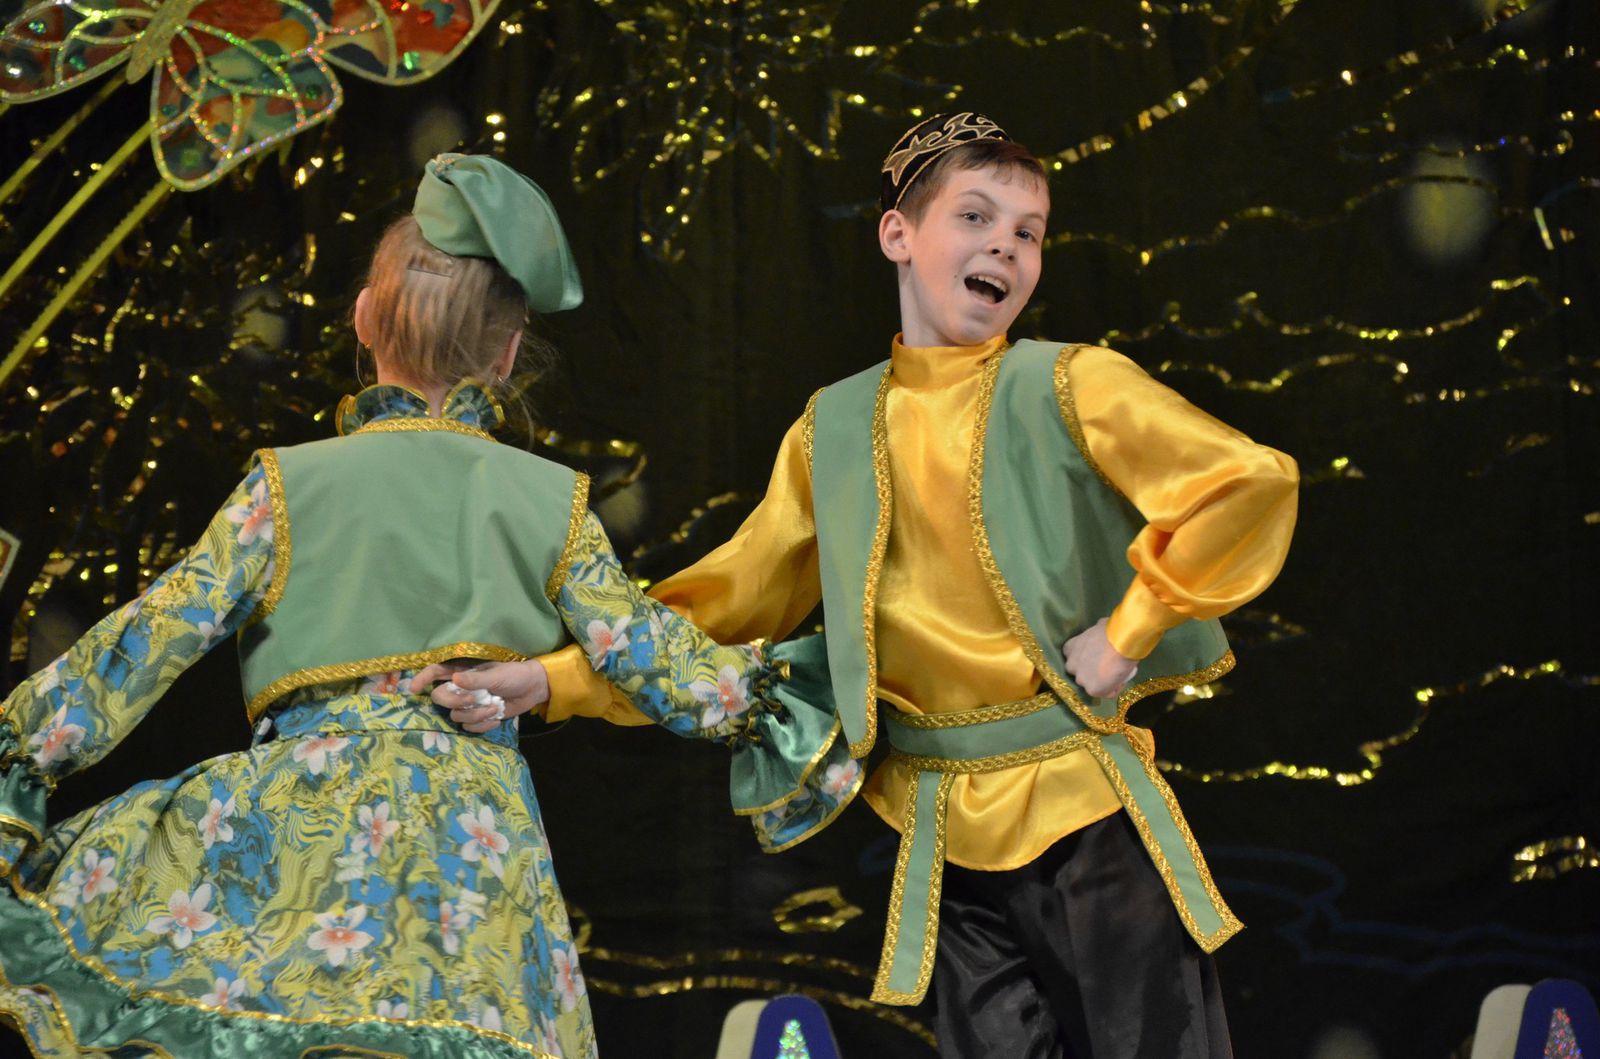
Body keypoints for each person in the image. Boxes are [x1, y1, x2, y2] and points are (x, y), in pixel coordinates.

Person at [434, 113, 1300, 1058]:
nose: (1005, 247)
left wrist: (1130, 628)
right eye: (975, 217)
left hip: (1088, 821)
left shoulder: (1072, 383)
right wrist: (553, 679)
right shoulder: (836, 429)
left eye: (1029, 231)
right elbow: (723, 604)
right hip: (946, 842)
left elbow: (1246, 483)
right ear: (898, 233)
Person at [0, 154, 826, 1059]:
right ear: (508, 354)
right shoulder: (548, 500)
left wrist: (20, 751)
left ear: (364, 318)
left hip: (294, 868)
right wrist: (787, 707)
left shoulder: (286, 489)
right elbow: (649, 651)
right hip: (471, 889)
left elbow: (146, 640)